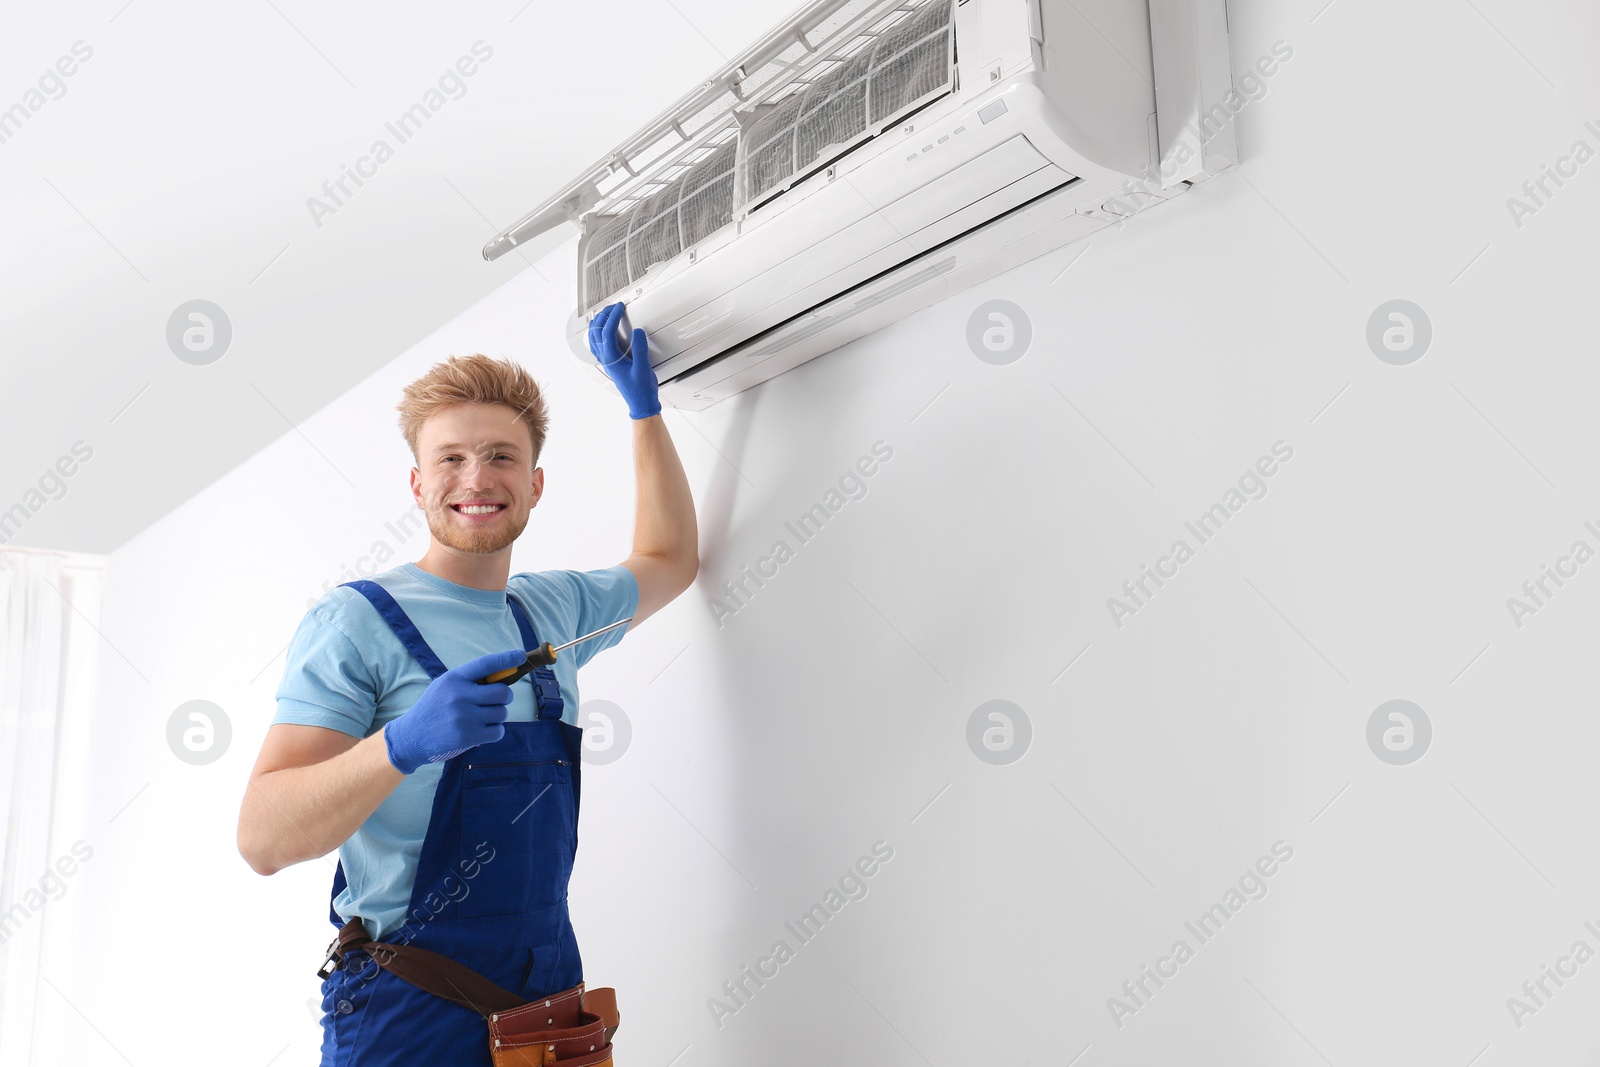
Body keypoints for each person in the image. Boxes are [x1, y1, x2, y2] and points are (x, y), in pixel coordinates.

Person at [236, 303, 696, 1064]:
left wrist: (644, 411)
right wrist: (404, 742)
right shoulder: (356, 622)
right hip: (409, 1016)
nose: (476, 479)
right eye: (450, 458)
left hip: (546, 1019)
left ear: (537, 482)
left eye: (501, 456)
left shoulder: (552, 610)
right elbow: (262, 838)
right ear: (417, 482)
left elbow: (670, 558)